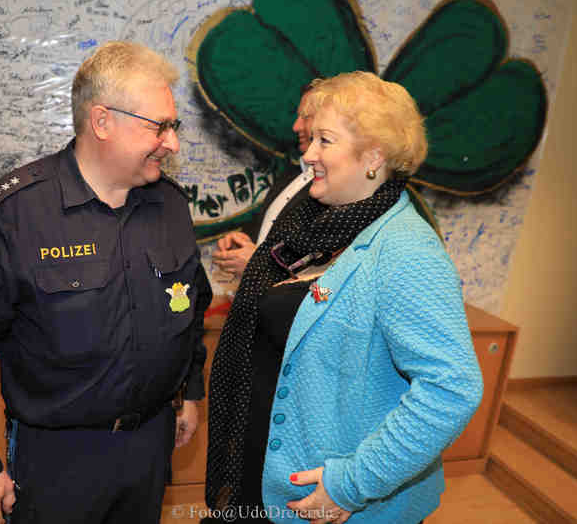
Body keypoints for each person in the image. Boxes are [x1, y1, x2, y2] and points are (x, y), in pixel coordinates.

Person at [0, 41, 212, 524]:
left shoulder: (170, 206)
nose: (172, 142)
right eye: (158, 126)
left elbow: (189, 307)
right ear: (102, 122)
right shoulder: (15, 213)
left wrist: (190, 391)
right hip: (56, 459)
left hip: (150, 448)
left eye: (173, 126)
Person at [205, 72, 483, 523]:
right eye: (311, 138)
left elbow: (451, 390)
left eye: (325, 141)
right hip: (265, 473)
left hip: (334, 501)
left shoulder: (408, 251)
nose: (309, 154)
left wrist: (350, 485)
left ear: (373, 156)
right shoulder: (317, 227)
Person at [211, 86, 315, 276]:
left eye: (306, 116)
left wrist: (258, 265)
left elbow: (318, 276)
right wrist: (241, 239)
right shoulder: (291, 174)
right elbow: (265, 232)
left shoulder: (333, 190)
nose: (296, 126)